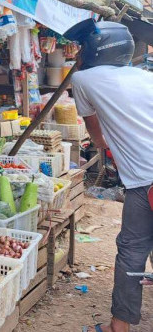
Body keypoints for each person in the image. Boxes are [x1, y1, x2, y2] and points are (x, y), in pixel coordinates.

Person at [64, 20, 153, 332]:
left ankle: (119, 327)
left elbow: (97, 139)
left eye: (81, 47)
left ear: (95, 50)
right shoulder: (144, 77)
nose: (77, 53)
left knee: (132, 252)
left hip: (146, 181)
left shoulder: (83, 79)